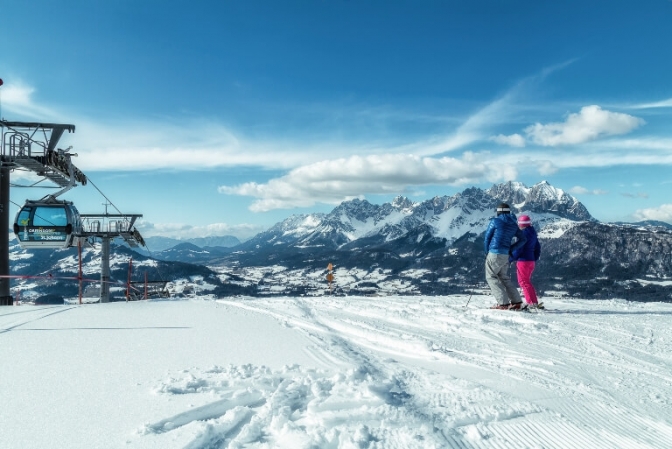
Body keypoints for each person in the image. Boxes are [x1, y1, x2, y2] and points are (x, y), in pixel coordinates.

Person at [484, 203, 527, 310]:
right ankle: (516, 302)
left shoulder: (495, 221)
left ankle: (503, 304)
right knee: (504, 277)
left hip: (494, 252)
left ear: (499, 211)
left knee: (491, 276)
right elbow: (523, 239)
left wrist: (487, 252)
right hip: (505, 254)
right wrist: (511, 249)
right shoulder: (513, 224)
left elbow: (487, 238)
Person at [510, 214, 542, 309]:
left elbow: (519, 249)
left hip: (523, 261)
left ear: (521, 224)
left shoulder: (522, 234)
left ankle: (531, 303)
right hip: (530, 261)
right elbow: (538, 248)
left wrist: (510, 259)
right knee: (526, 281)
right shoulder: (533, 233)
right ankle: (533, 301)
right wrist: (533, 258)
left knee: (523, 282)